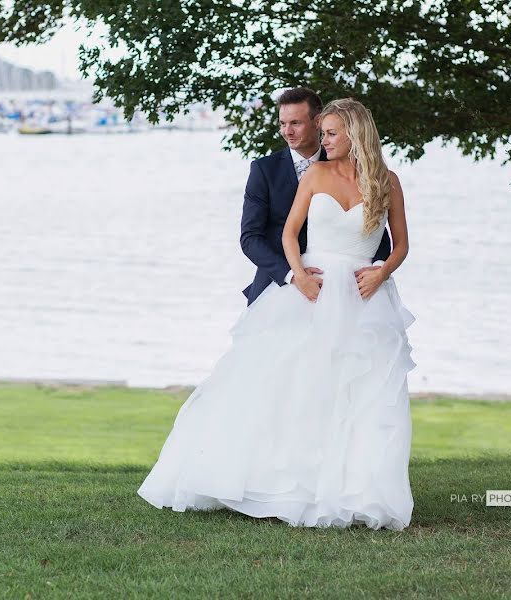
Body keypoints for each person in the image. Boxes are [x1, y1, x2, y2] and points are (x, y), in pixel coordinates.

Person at [137, 98, 415, 531]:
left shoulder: (387, 181)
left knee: (362, 393)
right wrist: (298, 275)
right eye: (319, 132)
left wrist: (380, 275)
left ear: (356, 133)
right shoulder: (315, 175)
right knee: (290, 386)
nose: (322, 140)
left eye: (329, 133)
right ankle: (285, 484)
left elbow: (400, 245)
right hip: (308, 289)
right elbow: (285, 232)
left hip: (364, 297)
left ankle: (356, 490)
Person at [239, 87, 391, 306]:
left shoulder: (345, 165)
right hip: (279, 285)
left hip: (349, 288)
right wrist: (294, 276)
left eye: (295, 123)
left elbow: (375, 229)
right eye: (282, 124)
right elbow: (250, 238)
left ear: (317, 121)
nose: (286, 131)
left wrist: (377, 270)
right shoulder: (264, 170)